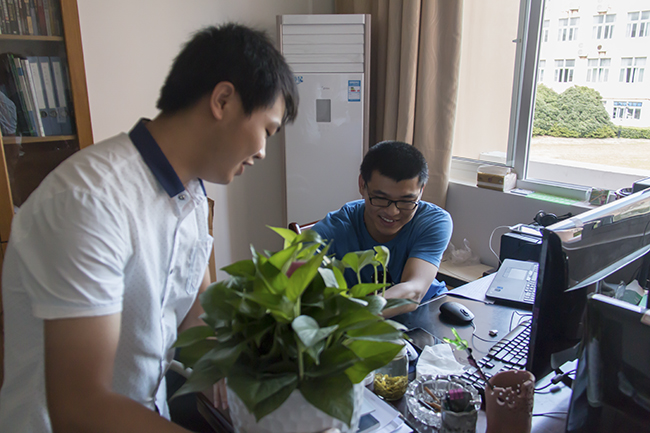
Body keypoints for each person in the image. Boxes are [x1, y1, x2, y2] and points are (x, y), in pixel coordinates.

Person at [0, 23, 298, 433]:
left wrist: (289, 359)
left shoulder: (191, 196)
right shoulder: (90, 202)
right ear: (223, 100)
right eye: (267, 130)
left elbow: (195, 318)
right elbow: (80, 408)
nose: (263, 152)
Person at [312, 141, 452, 317]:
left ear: (421, 191)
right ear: (362, 185)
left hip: (428, 309)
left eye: (406, 201)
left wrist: (352, 318)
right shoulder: (332, 230)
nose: (392, 212)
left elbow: (414, 291)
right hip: (362, 323)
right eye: (380, 198)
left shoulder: (433, 221)